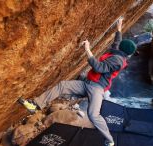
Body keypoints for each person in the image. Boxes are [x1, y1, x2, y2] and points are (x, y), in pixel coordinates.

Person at [18, 18, 137, 146]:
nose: (118, 44)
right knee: (63, 85)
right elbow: (117, 41)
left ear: (122, 50)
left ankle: (110, 140)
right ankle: (35, 105)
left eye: (120, 44)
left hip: (97, 89)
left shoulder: (118, 60)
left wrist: (87, 49)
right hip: (87, 83)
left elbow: (99, 67)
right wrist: (119, 27)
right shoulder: (118, 51)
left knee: (93, 115)